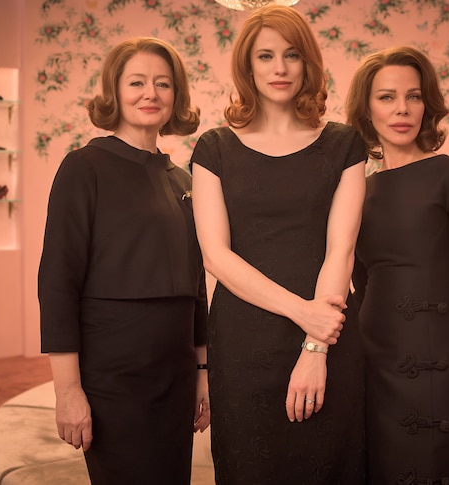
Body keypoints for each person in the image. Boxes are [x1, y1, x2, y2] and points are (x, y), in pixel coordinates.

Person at [190, 5, 367, 484]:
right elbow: (216, 256)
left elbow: (341, 251)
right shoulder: (213, 148)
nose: (280, 68)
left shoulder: (344, 144)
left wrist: (315, 344)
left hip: (328, 334)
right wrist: (302, 311)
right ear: (247, 67)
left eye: (292, 55)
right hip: (243, 341)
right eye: (265, 56)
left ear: (308, 62)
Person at [38, 37, 209, 485]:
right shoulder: (83, 168)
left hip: (175, 373)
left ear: (177, 96)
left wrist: (203, 372)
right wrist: (68, 390)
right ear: (114, 92)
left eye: (163, 84)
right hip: (113, 374)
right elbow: (57, 284)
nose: (150, 94)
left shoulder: (183, 180)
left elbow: (196, 287)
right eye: (137, 82)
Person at [346, 46, 449, 485]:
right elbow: (361, 286)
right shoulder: (358, 191)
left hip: (435, 362)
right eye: (387, 97)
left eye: (413, 96)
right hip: (373, 365)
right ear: (366, 108)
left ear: (426, 105)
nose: (402, 109)